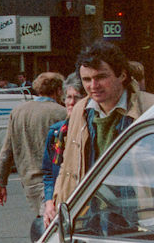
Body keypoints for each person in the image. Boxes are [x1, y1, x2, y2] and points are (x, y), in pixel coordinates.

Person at [48, 39, 154, 224]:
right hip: (90, 218)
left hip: (139, 219)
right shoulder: (81, 111)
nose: (93, 85)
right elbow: (68, 165)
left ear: (122, 75)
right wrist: (57, 203)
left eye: (101, 77)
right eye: (87, 79)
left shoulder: (148, 109)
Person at [0, 72, 67, 219]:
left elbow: (6, 151)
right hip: (54, 182)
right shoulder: (61, 113)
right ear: (59, 90)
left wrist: (1, 182)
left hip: (29, 182)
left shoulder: (18, 111)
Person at [39, 74, 85, 226]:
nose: (71, 103)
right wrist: (49, 201)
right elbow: (48, 172)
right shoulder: (57, 132)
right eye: (68, 97)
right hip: (63, 204)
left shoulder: (90, 130)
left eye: (76, 98)